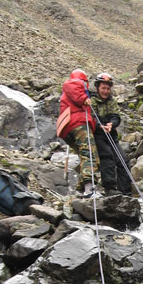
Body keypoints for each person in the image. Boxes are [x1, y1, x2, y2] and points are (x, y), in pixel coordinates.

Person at [57, 69, 100, 197]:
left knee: (83, 155)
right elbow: (75, 91)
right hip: (79, 124)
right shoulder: (76, 83)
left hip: (66, 128)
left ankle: (81, 189)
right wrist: (84, 98)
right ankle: (89, 188)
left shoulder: (66, 92)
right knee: (89, 153)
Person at [90, 73, 132, 196]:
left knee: (123, 161)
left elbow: (116, 116)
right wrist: (99, 126)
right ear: (98, 88)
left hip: (111, 135)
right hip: (98, 136)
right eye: (103, 88)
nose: (106, 91)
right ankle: (110, 188)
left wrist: (111, 124)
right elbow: (92, 117)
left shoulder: (112, 101)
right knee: (107, 157)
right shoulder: (92, 101)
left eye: (108, 89)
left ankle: (125, 191)